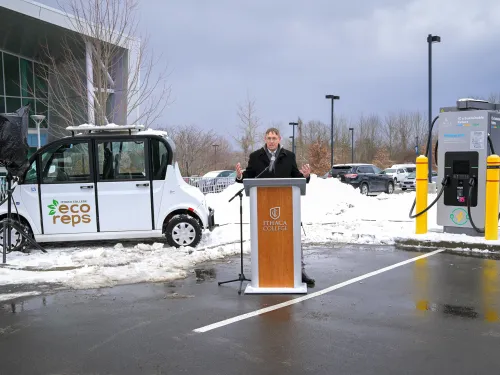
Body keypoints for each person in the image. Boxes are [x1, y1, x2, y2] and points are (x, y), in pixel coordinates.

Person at [235, 127, 315, 286]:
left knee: (292, 239)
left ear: (279, 139)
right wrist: (240, 176)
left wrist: (305, 176)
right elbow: (249, 176)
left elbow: (296, 177)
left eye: (274, 138)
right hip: (262, 208)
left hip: (287, 208)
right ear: (265, 139)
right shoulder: (255, 157)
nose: (271, 141)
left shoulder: (289, 156)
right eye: (268, 138)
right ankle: (267, 272)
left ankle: (299, 272)